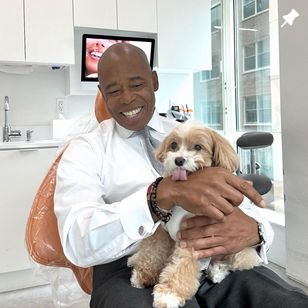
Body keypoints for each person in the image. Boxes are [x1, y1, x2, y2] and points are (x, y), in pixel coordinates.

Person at [54, 43, 308, 307]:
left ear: (154, 81)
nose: (127, 98)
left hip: (214, 257)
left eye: (137, 84)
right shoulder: (85, 149)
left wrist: (256, 230)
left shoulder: (190, 132)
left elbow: (238, 203)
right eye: (114, 90)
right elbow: (76, 241)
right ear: (102, 94)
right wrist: (158, 196)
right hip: (127, 266)